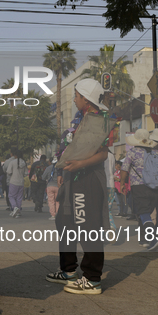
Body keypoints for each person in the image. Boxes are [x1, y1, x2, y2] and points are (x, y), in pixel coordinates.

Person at [46, 79, 115, 295]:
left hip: (88, 178)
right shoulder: (79, 119)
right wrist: (62, 172)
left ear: (86, 98)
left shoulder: (99, 120)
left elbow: (103, 153)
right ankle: (68, 270)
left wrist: (80, 164)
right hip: (72, 177)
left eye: (76, 96)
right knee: (64, 221)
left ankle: (92, 278)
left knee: (88, 226)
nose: (74, 99)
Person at [120, 129, 158, 250]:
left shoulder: (132, 152)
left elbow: (124, 168)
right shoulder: (156, 152)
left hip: (139, 186)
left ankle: (153, 239)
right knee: (146, 212)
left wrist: (122, 183)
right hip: (155, 187)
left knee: (143, 212)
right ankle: (144, 240)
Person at [7, 148, 27, 218]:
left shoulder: (12, 162)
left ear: (15, 155)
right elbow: (25, 173)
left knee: (11, 196)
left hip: (13, 181)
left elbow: (9, 172)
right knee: (19, 197)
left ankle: (14, 207)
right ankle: (18, 212)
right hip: (21, 182)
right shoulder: (24, 162)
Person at [42, 156, 59, 221]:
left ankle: (53, 215)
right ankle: (58, 213)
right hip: (58, 186)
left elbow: (43, 177)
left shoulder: (48, 168)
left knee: (51, 201)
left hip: (50, 185)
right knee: (58, 201)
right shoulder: (60, 168)